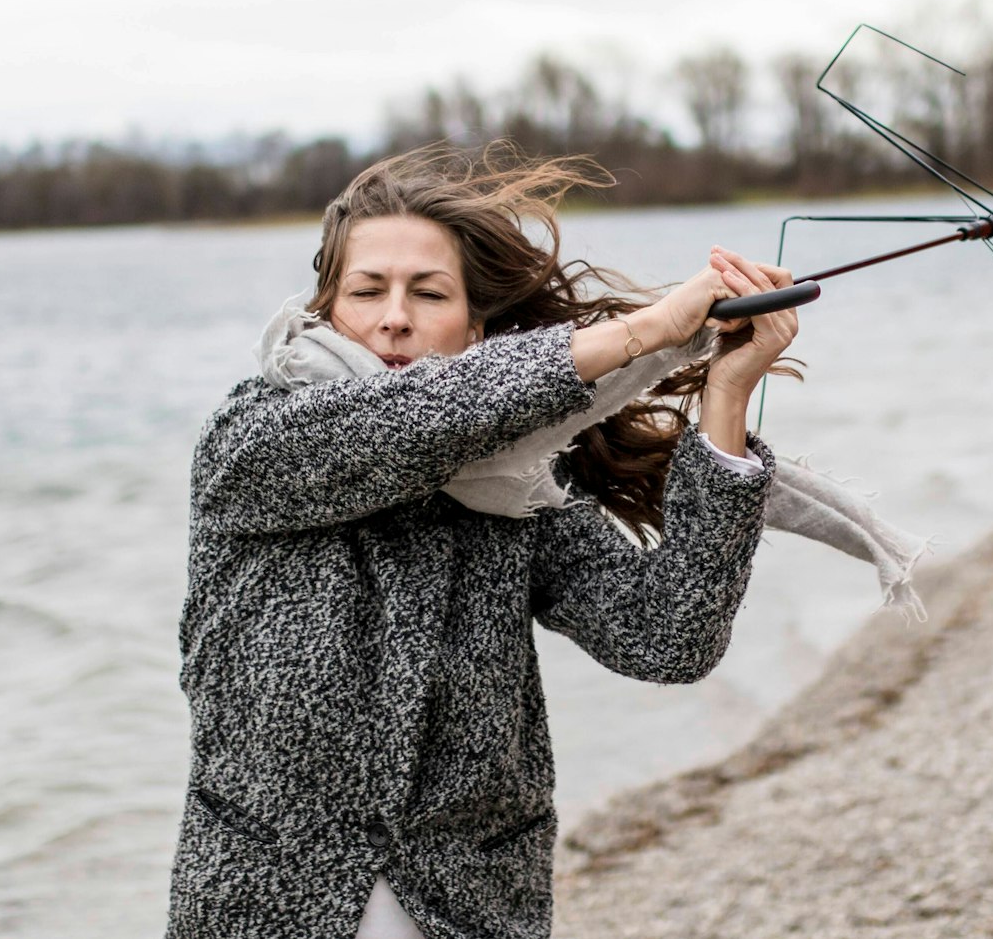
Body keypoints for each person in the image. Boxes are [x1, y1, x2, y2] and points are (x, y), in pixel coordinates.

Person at [165, 144, 801, 939]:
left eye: (428, 293)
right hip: (264, 901)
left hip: (471, 902)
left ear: (478, 329)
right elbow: (410, 422)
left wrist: (727, 397)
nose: (394, 315)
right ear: (327, 309)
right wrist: (642, 333)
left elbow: (668, 638)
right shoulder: (253, 439)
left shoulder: (521, 483)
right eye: (367, 290)